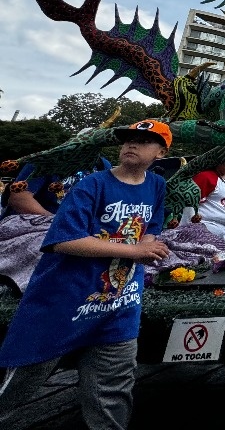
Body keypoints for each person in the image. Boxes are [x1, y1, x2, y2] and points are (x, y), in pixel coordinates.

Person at [0, 119, 171, 430]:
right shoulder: (92, 184)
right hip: (64, 300)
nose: (130, 144)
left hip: (119, 304)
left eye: (142, 141)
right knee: (18, 386)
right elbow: (63, 240)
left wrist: (148, 242)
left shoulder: (157, 185)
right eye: (127, 139)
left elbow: (152, 227)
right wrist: (135, 251)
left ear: (160, 152)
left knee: (112, 392)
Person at [182, 160, 225, 243]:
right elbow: (189, 204)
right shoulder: (206, 177)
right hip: (203, 235)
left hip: (223, 233)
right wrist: (188, 231)